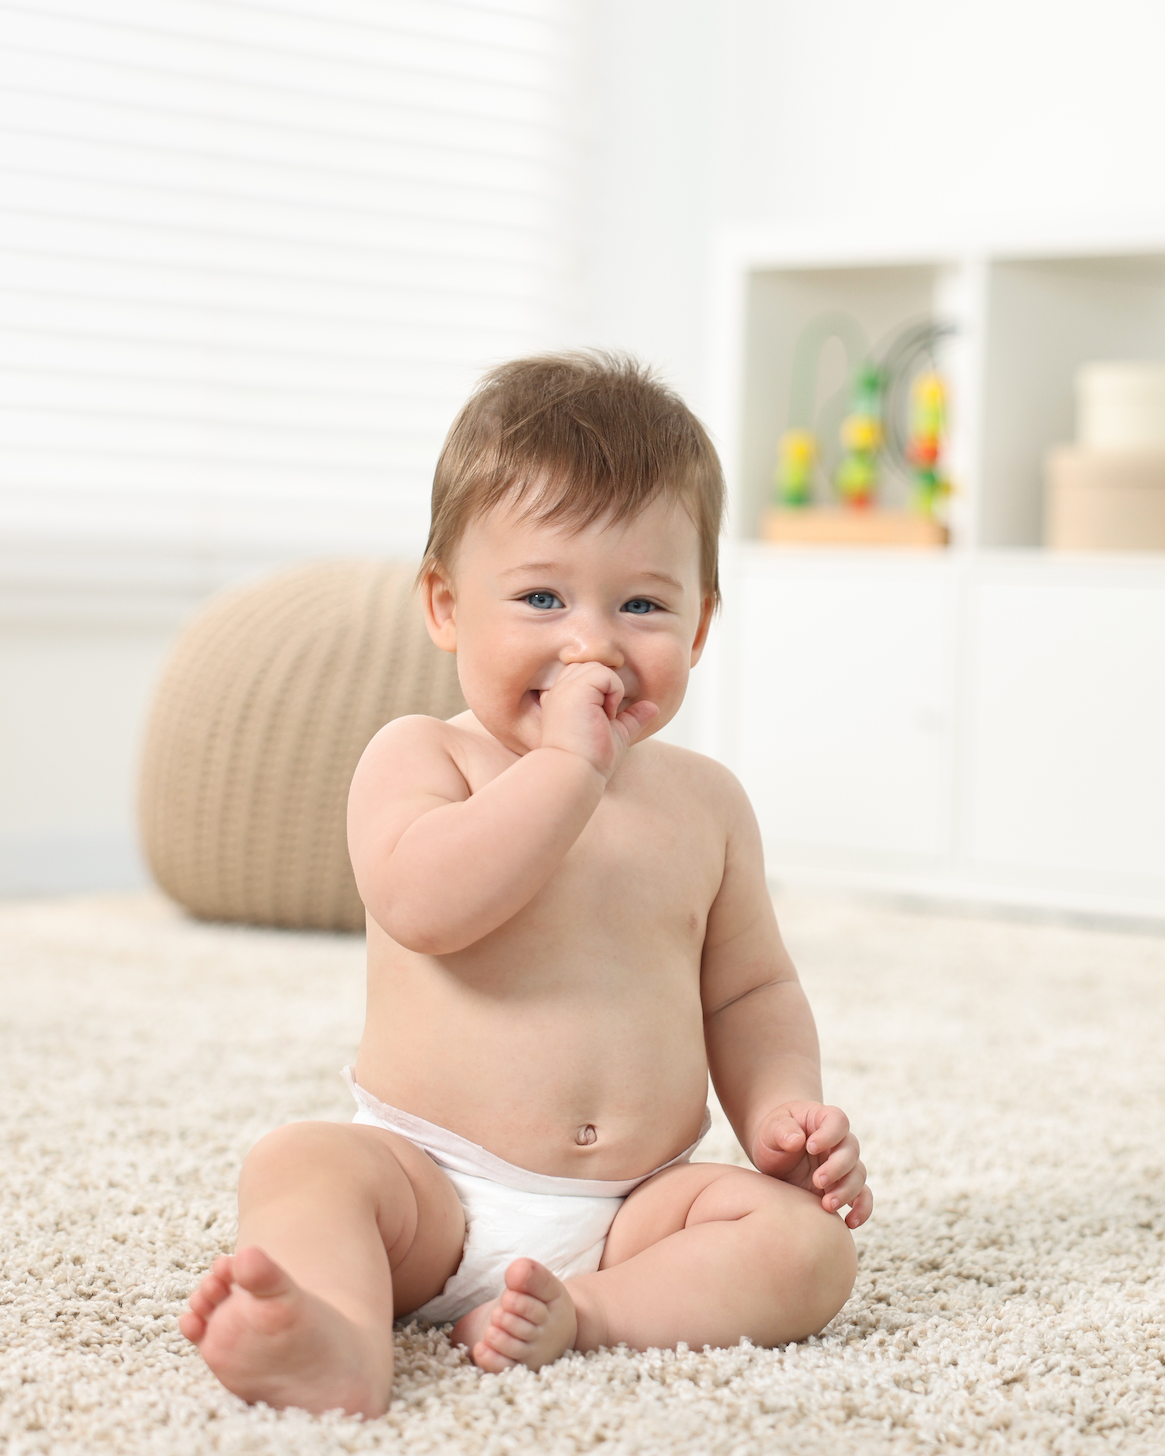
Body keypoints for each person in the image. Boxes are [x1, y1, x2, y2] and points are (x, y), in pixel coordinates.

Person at [179, 352, 872, 1416]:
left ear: (696, 628)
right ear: (447, 607)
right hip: (431, 1182)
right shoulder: (420, 758)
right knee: (301, 1164)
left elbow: (747, 993)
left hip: (638, 1206)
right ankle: (334, 1335)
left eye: (641, 604)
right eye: (541, 596)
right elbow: (425, 904)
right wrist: (562, 772)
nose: (589, 641)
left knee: (806, 1253)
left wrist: (782, 1111)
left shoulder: (706, 804)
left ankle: (589, 1312)